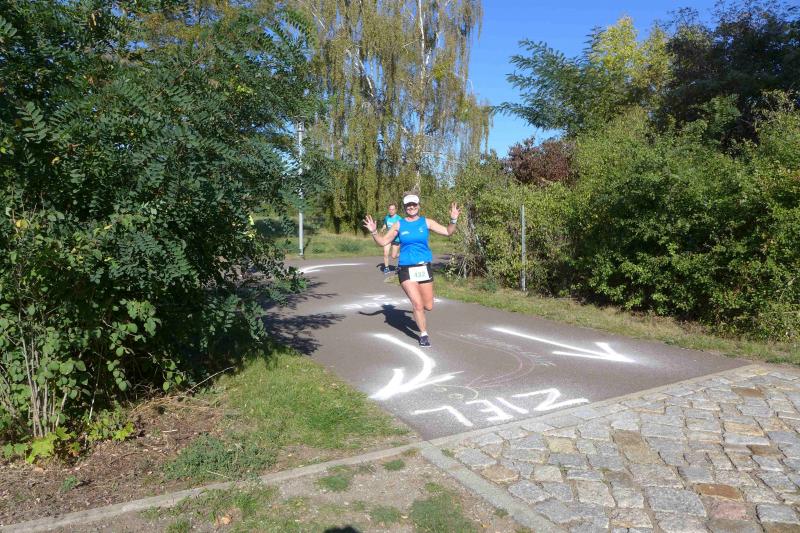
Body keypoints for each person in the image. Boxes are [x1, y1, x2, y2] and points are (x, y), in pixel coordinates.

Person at [363, 193, 460, 347]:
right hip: (406, 269)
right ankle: (423, 335)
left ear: (418, 206)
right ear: (405, 208)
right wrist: (374, 232)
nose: (411, 207)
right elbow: (383, 242)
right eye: (408, 205)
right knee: (417, 304)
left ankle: (419, 316)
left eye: (414, 204)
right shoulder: (399, 224)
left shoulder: (426, 222)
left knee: (428, 306)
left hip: (423, 268)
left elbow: (448, 232)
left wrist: (453, 219)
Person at [380, 203, 402, 274]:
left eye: (393, 209)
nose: (391, 211)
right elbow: (385, 224)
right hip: (388, 238)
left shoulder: (399, 219)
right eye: (390, 209)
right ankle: (386, 268)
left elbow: (402, 229)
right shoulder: (387, 217)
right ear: (388, 210)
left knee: (393, 256)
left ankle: (402, 255)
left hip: (396, 239)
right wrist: (383, 228)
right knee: (385, 253)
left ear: (395, 210)